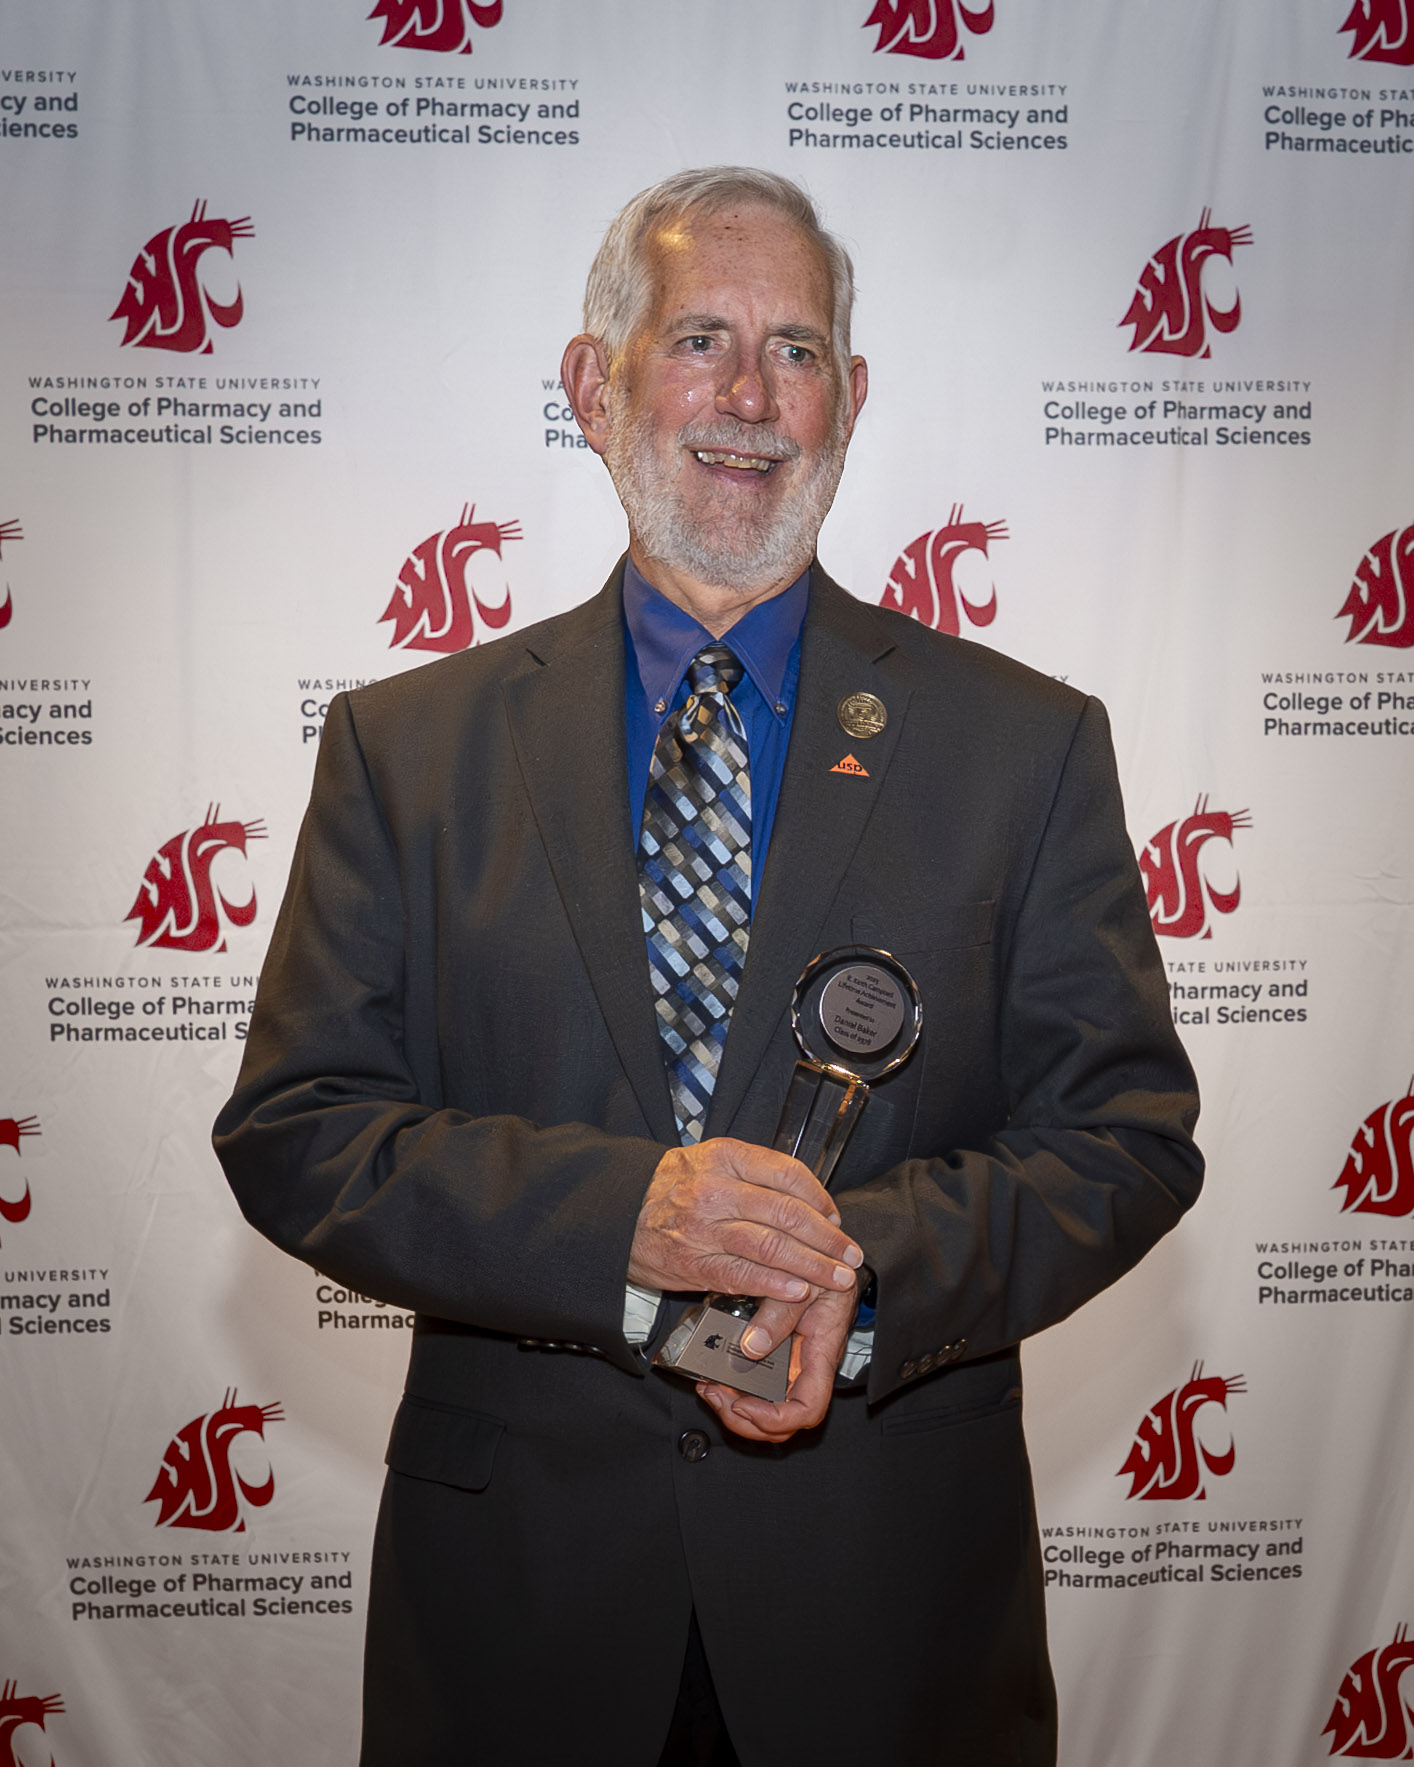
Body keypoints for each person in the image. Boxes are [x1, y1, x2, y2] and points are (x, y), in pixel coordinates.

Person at [214, 166, 1201, 1766]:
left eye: (794, 351)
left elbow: (1124, 1140)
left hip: (885, 1614)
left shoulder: (1021, 747)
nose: (749, 398)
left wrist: (854, 1275)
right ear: (593, 384)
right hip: (522, 1617)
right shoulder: (411, 749)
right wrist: (626, 1221)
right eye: (697, 341)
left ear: (848, 397)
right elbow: (299, 1131)